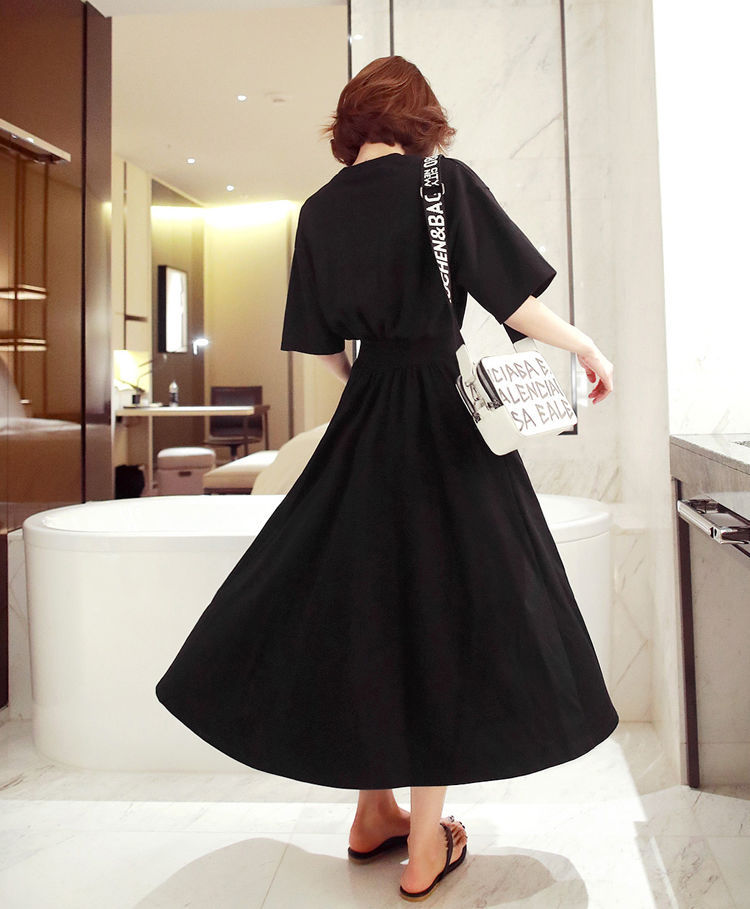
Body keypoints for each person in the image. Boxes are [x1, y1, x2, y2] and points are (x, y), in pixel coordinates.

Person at [155, 55, 618, 903]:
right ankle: (426, 843)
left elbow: (324, 348)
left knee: (368, 607)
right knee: (441, 610)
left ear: (351, 122)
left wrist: (372, 380)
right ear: (419, 114)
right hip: (443, 420)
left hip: (364, 421)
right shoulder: (442, 184)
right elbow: (511, 303)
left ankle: (374, 810)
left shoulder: (318, 211)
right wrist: (582, 345)